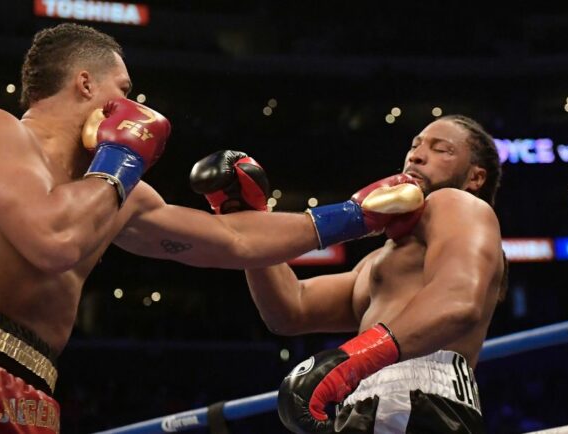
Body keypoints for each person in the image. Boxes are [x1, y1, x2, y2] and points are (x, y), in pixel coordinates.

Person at [0, 23, 422, 434]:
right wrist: (123, 160)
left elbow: (236, 243)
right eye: (124, 90)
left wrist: (356, 215)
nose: (133, 104)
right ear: (86, 84)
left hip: (31, 393)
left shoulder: (111, 189)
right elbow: (52, 240)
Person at [194, 115, 506, 433]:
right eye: (415, 145)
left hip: (420, 395)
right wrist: (244, 214)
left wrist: (349, 361)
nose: (417, 155)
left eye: (442, 150)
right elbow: (291, 309)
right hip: (370, 397)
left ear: (475, 177)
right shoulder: (380, 260)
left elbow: (458, 301)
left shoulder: (461, 204)